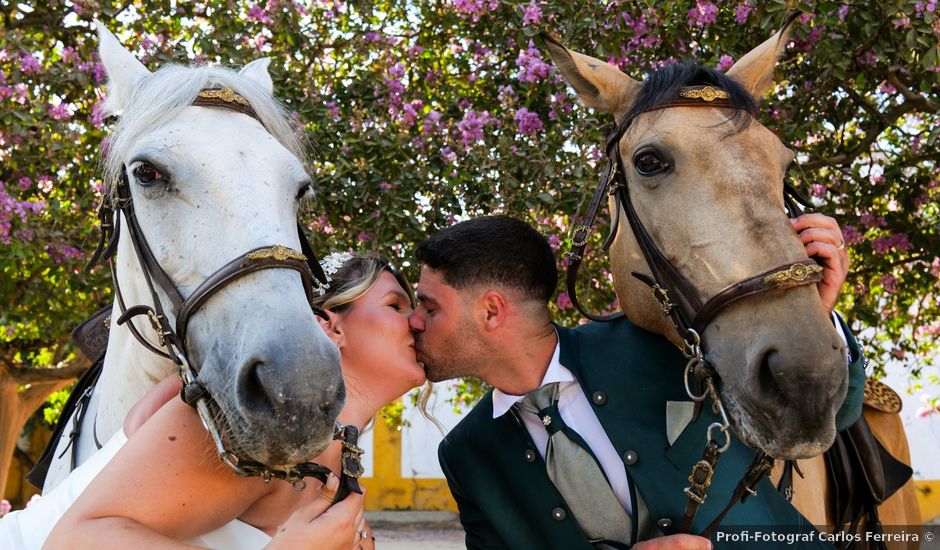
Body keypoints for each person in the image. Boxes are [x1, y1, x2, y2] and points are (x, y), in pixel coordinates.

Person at [409, 215, 864, 550]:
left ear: (491, 310)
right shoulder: (468, 455)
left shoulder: (658, 343)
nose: (414, 322)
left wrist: (814, 321)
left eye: (430, 308)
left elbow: (834, 416)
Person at [29, 253, 426, 549]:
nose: (416, 322)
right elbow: (74, 540)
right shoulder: (251, 415)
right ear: (329, 324)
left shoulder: (334, 447)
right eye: (395, 306)